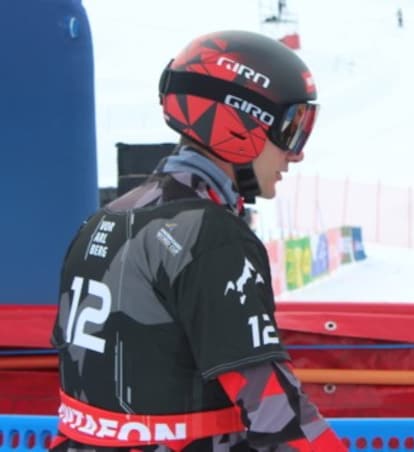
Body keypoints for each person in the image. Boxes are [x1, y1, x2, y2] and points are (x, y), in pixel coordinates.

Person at [50, 30, 345, 451]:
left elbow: (80, 396)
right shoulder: (209, 235)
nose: (294, 155)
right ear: (242, 122)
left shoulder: (102, 221)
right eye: (290, 130)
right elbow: (276, 412)